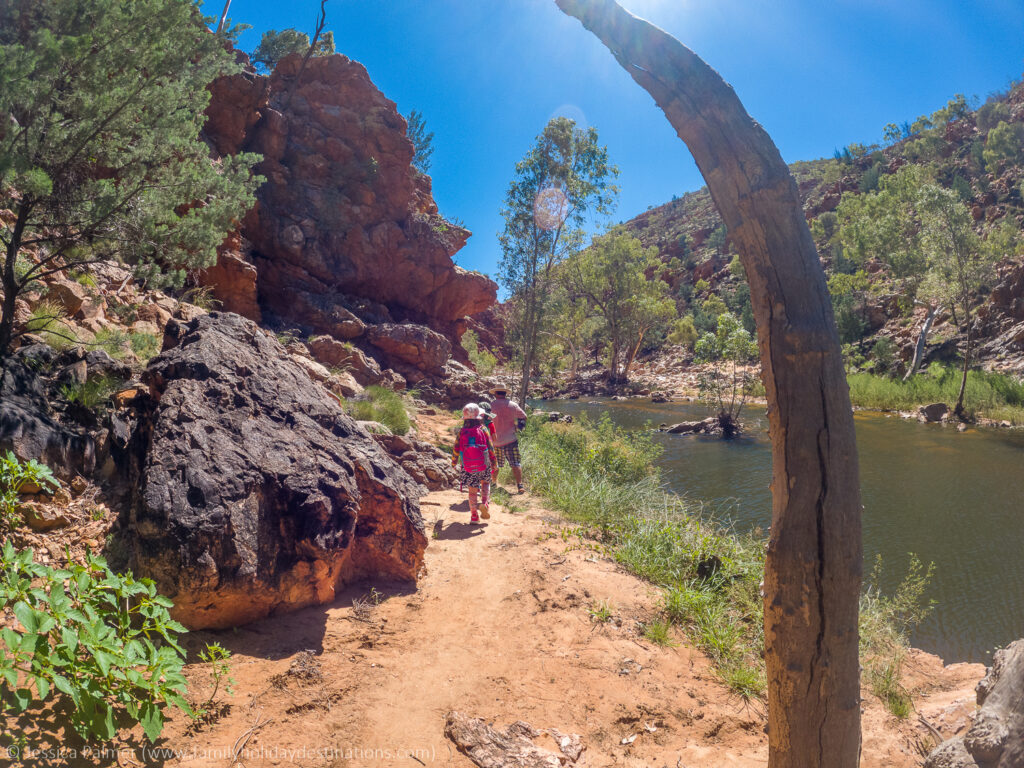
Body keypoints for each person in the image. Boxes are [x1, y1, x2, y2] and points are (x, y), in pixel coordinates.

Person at [451, 403, 497, 524]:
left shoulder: (462, 431)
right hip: (484, 464)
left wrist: (454, 462)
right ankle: (485, 503)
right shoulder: (483, 429)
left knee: (472, 491)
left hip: (467, 465)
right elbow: (490, 447)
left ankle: (474, 516)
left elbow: (456, 448)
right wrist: (494, 462)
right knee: (486, 483)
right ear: (479, 417)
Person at [489, 386, 527, 494]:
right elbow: (524, 417)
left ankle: (493, 483)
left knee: (494, 463)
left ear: (496, 393)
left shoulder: (491, 405)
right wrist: (518, 427)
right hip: (511, 439)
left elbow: (485, 421)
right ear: (505, 394)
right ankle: (520, 486)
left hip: (495, 440)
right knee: (515, 463)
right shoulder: (513, 405)